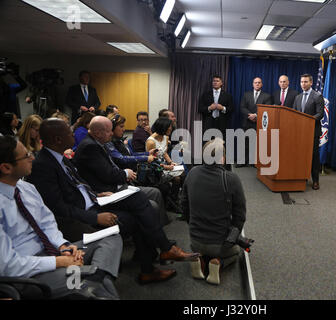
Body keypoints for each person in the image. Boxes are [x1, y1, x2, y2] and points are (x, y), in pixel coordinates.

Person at [27, 119, 197, 283]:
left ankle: (157, 259)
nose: (74, 134)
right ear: (58, 139)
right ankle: (159, 257)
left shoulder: (60, 158)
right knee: (140, 210)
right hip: (81, 217)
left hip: (95, 201)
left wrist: (95, 194)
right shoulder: (43, 165)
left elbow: (80, 184)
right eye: (70, 133)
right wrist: (95, 218)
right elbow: (57, 208)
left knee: (140, 202)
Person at [0, 135, 123, 299]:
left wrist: (63, 246)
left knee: (111, 238)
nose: (32, 158)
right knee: (89, 285)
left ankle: (92, 275)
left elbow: (47, 223)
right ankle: (91, 277)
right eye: (26, 156)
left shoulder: (26, 188)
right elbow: (8, 266)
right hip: (26, 274)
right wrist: (59, 262)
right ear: (6, 167)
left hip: (51, 253)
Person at [73, 116, 169, 225]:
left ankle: (158, 229)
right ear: (99, 133)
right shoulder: (92, 146)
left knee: (155, 193)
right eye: (110, 130)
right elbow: (116, 165)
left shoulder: (101, 142)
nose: (112, 133)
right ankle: (155, 231)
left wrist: (147, 154)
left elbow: (128, 156)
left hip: (117, 183)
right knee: (152, 197)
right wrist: (126, 173)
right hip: (109, 190)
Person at [181, 138, 246, 285]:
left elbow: (184, 205)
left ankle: (200, 258)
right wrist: (231, 240)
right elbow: (240, 216)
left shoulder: (192, 173)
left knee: (202, 247)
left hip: (195, 240)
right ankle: (218, 263)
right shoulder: (232, 179)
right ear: (222, 159)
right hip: (220, 244)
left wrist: (192, 224)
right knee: (236, 252)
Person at [292, 74, 324, 190]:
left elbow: (320, 114)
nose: (303, 84)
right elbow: (294, 113)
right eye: (301, 82)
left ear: (311, 83)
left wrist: (307, 121)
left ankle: (315, 180)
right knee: (300, 156)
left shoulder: (317, 96)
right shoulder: (298, 97)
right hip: (300, 133)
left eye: (305, 82)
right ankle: (301, 177)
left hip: (313, 132)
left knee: (313, 157)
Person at [146, 117, 184, 213]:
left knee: (183, 175)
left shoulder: (166, 138)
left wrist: (171, 162)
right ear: (163, 127)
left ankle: (173, 200)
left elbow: (164, 153)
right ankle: (172, 202)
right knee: (178, 178)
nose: (171, 129)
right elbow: (150, 161)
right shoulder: (151, 141)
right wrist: (166, 167)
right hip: (155, 170)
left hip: (164, 166)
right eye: (169, 128)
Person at [238, 77, 273, 167]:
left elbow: (267, 109)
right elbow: (242, 107)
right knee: (245, 143)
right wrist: (250, 115)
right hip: (247, 121)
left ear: (262, 84)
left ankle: (254, 163)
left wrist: (256, 115)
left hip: (260, 123)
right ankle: (242, 161)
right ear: (253, 84)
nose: (257, 84)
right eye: (255, 82)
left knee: (258, 144)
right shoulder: (246, 94)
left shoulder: (267, 96)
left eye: (259, 82)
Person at [198, 75, 234, 140]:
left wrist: (223, 108)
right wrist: (209, 108)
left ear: (221, 83)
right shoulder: (205, 94)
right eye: (214, 81)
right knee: (207, 146)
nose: (215, 82)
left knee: (220, 146)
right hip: (208, 124)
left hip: (222, 124)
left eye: (217, 81)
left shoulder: (227, 95)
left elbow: (231, 109)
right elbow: (200, 108)